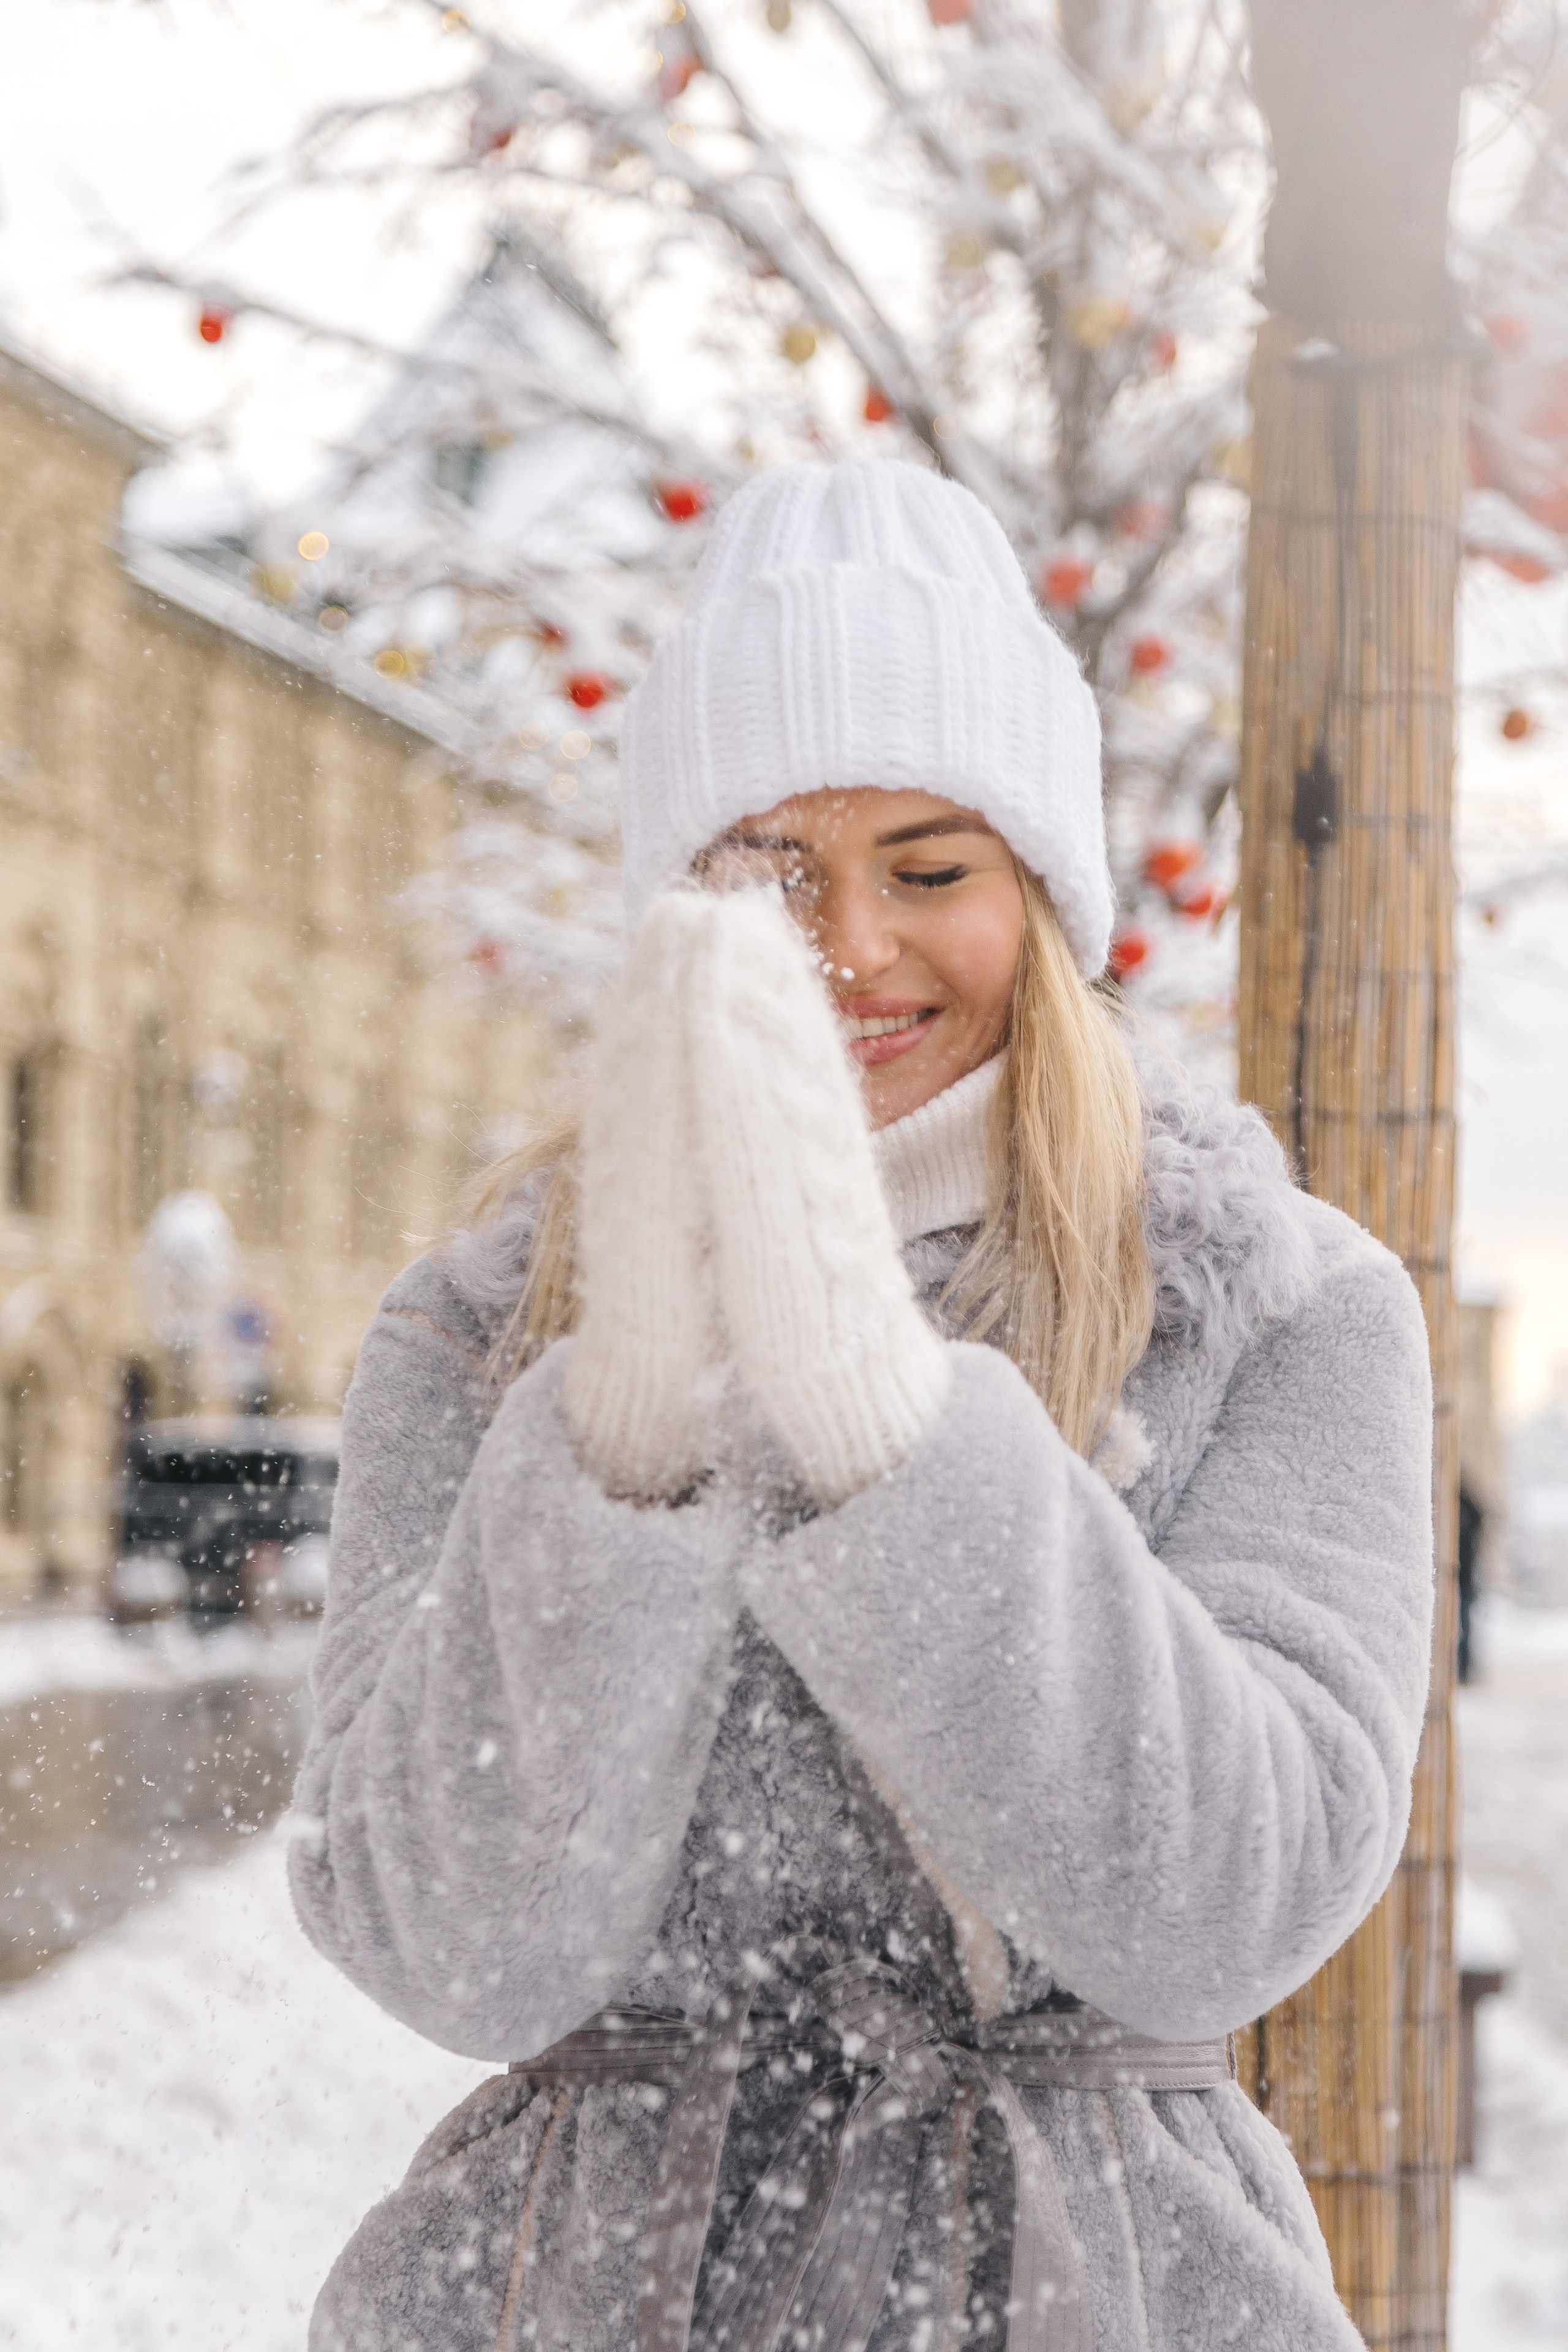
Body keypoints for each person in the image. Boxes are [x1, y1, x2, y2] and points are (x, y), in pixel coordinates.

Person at [290, 461, 1435, 2352]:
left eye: (931, 868)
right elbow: (446, 1943)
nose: (858, 949)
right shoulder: (479, 1330)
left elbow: (1232, 1903)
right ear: (680, 911)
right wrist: (628, 1437)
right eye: (771, 873)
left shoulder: (1281, 1301)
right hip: (568, 2296)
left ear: (1041, 899)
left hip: (1104, 2292)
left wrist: (885, 1427)